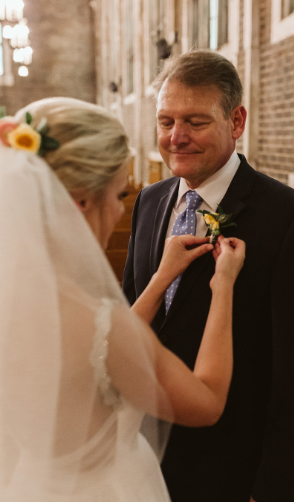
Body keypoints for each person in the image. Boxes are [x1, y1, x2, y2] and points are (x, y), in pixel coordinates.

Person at [0, 97, 245, 500]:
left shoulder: (30, 299)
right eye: (117, 195)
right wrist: (224, 287)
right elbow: (207, 402)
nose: (119, 210)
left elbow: (97, 351)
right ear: (81, 201)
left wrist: (162, 277)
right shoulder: (102, 326)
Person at [123, 50, 294, 502]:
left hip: (229, 470)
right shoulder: (149, 202)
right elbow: (131, 321)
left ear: (236, 122)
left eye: (195, 122)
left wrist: (277, 488)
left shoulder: (291, 219)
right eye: (165, 121)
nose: (175, 137)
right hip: (138, 461)